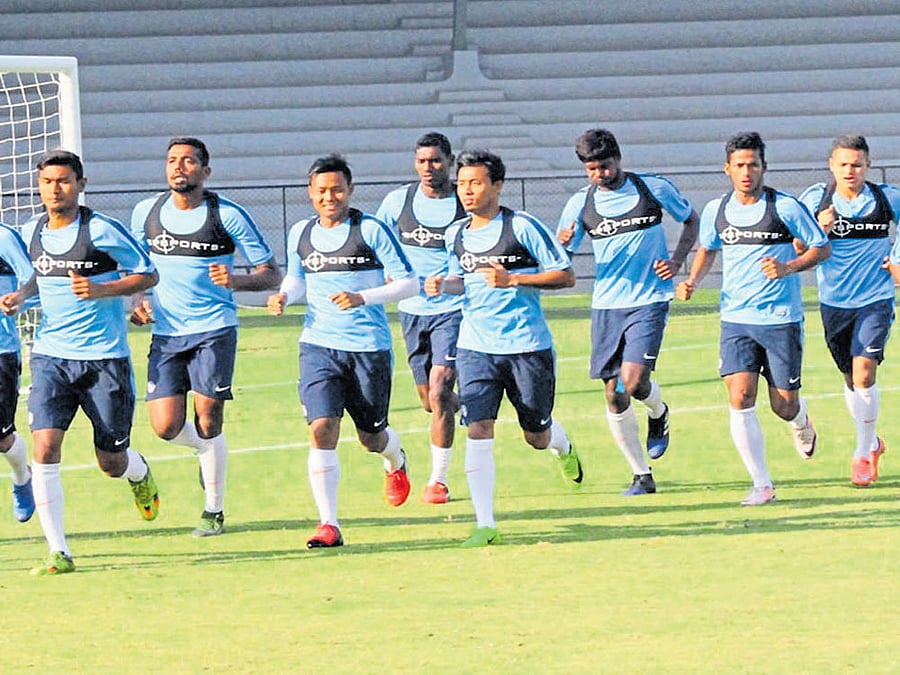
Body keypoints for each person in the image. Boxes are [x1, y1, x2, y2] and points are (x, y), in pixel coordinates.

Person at [0, 150, 160, 575]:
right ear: (39, 187)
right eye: (47, 181)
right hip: (51, 356)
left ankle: (137, 472)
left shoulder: (102, 229)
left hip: (104, 360)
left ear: (81, 185)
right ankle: (59, 551)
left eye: (64, 181)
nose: (55, 189)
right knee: (45, 447)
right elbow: (35, 278)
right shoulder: (30, 232)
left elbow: (148, 274)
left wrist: (104, 290)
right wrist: (20, 296)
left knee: (111, 461)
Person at [425, 149, 580, 548]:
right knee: (478, 428)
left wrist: (514, 280)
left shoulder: (522, 226)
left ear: (497, 185)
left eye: (475, 183)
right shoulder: (455, 234)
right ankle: (485, 523)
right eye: (462, 184)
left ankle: (562, 444)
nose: (467, 191)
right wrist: (443, 284)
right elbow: (460, 280)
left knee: (536, 435)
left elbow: (566, 276)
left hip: (527, 346)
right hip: (475, 347)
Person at [129, 137, 281, 537]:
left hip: (214, 329)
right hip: (166, 333)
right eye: (172, 160)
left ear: (205, 171)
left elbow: (271, 273)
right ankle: (207, 451)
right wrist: (138, 301)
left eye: (189, 161)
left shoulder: (227, 215)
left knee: (209, 417)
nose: (179, 167)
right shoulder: (146, 212)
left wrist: (236, 280)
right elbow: (136, 269)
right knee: (165, 427)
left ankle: (213, 510)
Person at [267, 154, 418, 549]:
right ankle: (329, 523)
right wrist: (284, 296)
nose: (329, 197)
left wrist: (362, 297)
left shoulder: (370, 230)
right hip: (318, 345)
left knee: (371, 437)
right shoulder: (301, 232)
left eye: (336, 189)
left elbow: (409, 283)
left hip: (368, 349)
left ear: (350, 190)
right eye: (321, 190)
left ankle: (396, 459)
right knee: (321, 428)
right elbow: (297, 279)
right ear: (310, 193)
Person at [676, 132, 830, 505]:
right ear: (727, 169)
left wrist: (789, 267)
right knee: (740, 396)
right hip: (736, 319)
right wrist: (692, 280)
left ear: (764, 167)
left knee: (783, 405)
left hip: (780, 319)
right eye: (740, 165)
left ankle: (800, 419)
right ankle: (761, 484)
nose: (747, 172)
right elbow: (707, 248)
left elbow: (821, 247)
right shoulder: (717, 210)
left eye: (753, 165)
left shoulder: (786, 207)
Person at [557, 128, 699, 496]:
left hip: (649, 300)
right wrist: (561, 245)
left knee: (632, 381)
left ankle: (657, 411)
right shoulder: (580, 204)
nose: (599, 174)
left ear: (618, 158)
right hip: (607, 306)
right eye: (591, 169)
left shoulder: (652, 188)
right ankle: (642, 475)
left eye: (604, 166)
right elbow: (562, 260)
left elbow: (691, 220)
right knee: (615, 393)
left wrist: (677, 260)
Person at [374, 132, 466, 504]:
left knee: (440, 390)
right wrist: (387, 276)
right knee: (430, 401)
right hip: (412, 312)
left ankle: (437, 481)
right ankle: (468, 405)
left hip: (453, 310)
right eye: (422, 161)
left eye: (436, 161)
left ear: (450, 162)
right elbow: (376, 241)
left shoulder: (464, 202)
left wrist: (450, 282)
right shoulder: (398, 201)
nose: (429, 168)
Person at [0, 217, 36, 523]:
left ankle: (23, 477)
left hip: (1, 351)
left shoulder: (4, 238)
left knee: (2, 439)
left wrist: (18, 298)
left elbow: (34, 280)